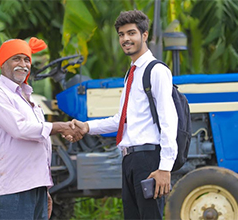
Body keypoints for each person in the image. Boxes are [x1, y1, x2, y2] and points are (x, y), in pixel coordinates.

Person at [73, 10, 178, 219]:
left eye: (131, 33)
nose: (125, 39)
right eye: (121, 34)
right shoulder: (131, 73)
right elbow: (120, 120)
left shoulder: (155, 71)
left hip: (148, 159)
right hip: (130, 159)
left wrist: (165, 168)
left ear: (144, 35)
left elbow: (169, 119)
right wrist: (87, 127)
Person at [0, 37, 83, 219]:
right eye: (16, 59)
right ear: (3, 63)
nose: (23, 64)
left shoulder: (29, 99)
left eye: (27, 59)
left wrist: (43, 189)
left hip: (36, 189)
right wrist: (60, 126)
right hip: (13, 190)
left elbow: (40, 144)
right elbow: (20, 129)